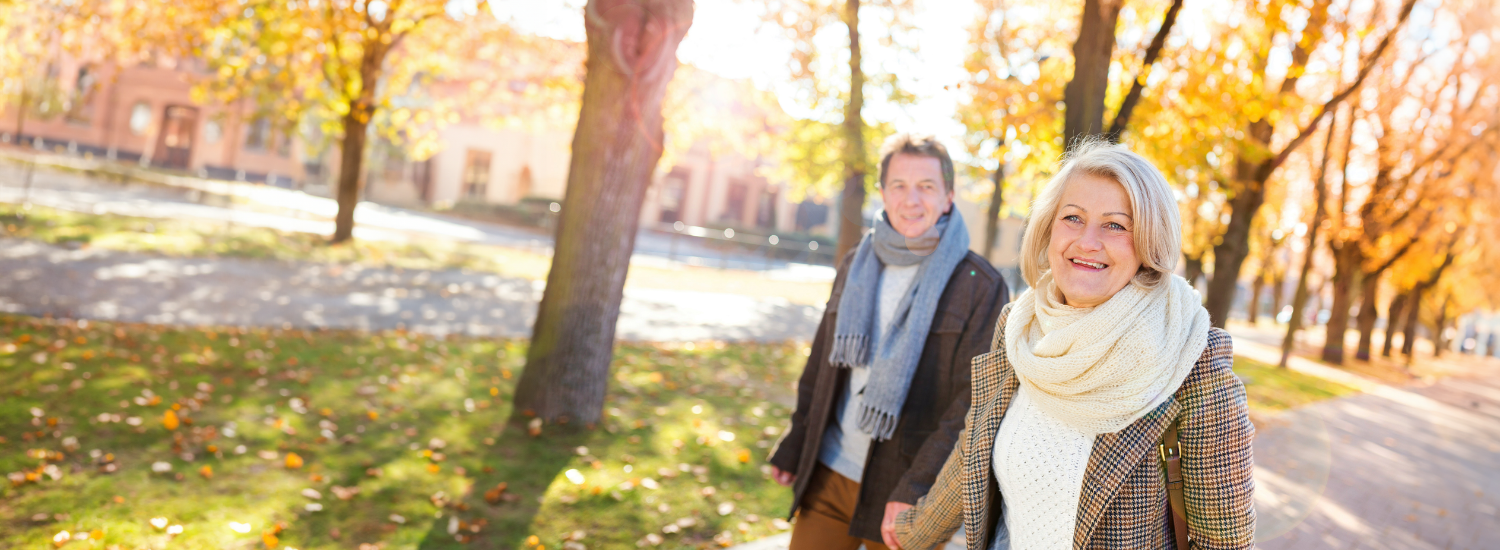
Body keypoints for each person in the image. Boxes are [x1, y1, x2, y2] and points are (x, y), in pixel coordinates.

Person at [892, 140, 1255, 550]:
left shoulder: (1190, 355)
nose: (1087, 242)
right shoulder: (1020, 326)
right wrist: (912, 534)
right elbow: (972, 451)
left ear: (1149, 243)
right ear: (1049, 229)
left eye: (1116, 225)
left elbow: (1224, 542)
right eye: (1073, 218)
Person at [767, 133, 1009, 550]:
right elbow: (822, 361)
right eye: (899, 185)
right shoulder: (855, 264)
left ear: (948, 197)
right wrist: (796, 441)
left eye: (926, 187)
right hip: (830, 470)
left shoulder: (980, 286)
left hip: (904, 492)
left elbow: (971, 403)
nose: (911, 200)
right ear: (882, 193)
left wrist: (918, 485)